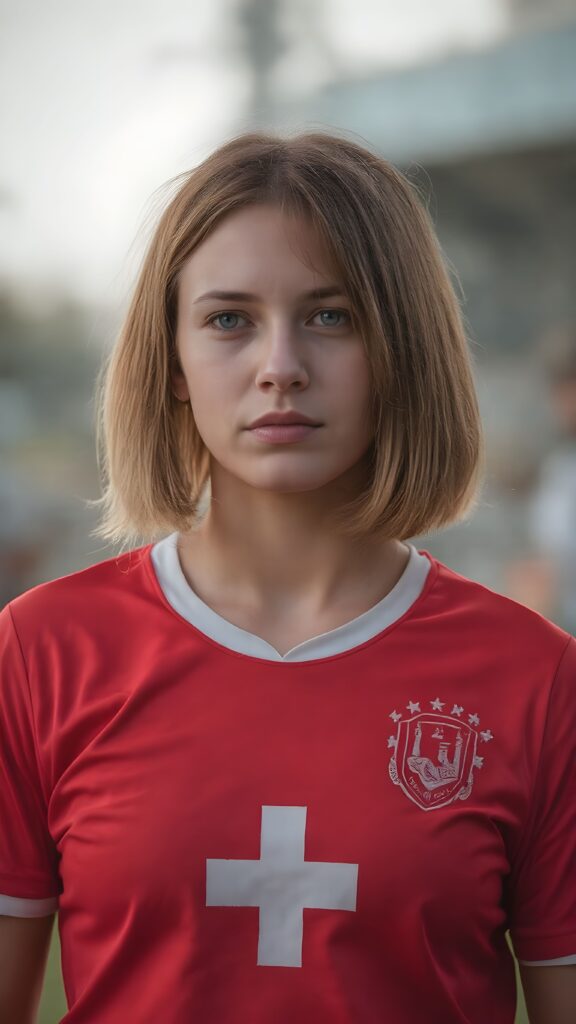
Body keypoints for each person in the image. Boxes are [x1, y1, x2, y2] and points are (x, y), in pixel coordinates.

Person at [0, 131, 574, 1024]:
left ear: (402, 350)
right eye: (229, 319)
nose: (281, 368)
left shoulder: (538, 680)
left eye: (331, 316)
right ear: (174, 363)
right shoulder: (39, 653)